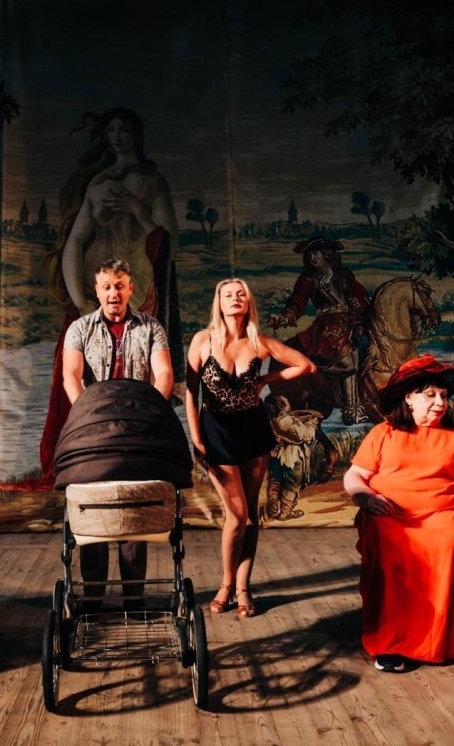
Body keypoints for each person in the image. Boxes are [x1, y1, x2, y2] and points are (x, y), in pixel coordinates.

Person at [344, 355, 454, 672]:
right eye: (430, 395)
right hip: (390, 513)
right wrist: (365, 497)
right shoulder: (383, 433)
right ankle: (391, 644)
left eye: (443, 396)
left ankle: (437, 641)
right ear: (408, 398)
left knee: (449, 539)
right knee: (389, 541)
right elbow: (354, 476)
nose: (440, 402)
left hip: (443, 515)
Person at [41, 107, 183, 476]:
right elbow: (75, 242)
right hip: (94, 303)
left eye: (124, 129)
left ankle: (141, 444)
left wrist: (137, 209)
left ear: (136, 135)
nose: (117, 136)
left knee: (139, 367)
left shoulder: (151, 183)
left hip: (143, 291)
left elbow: (170, 243)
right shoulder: (98, 184)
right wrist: (80, 300)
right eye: (111, 130)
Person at [186, 278, 315, 617]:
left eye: (241, 294)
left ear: (248, 303)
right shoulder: (202, 340)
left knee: (251, 515)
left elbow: (306, 365)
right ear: (219, 302)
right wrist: (196, 438)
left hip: (254, 432)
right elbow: (190, 393)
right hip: (216, 432)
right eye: (228, 294)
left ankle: (243, 587)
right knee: (237, 516)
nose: (235, 298)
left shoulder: (260, 341)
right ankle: (226, 584)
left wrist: (267, 380)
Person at [62, 258, 174, 606]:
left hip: (137, 428)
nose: (114, 293)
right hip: (94, 430)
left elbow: (164, 374)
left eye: (120, 286)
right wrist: (88, 416)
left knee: (132, 512)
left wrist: (151, 413)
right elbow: (71, 376)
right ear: (97, 291)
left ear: (130, 289)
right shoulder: (80, 328)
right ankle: (92, 601)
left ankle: (134, 600)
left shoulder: (151, 327)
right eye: (107, 287)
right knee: (95, 510)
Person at [267, 236, 370, 425]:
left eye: (316, 253)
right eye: (309, 255)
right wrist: (283, 318)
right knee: (346, 354)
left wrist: (360, 302)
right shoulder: (308, 279)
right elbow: (296, 305)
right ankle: (351, 409)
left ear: (326, 254)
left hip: (353, 320)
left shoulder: (344, 274)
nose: (312, 258)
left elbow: (361, 295)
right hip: (329, 325)